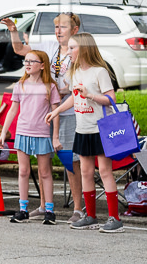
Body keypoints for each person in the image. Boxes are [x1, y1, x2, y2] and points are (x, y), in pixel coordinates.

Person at [4, 11, 84, 216]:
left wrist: (66, 90)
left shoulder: (78, 51)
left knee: (70, 160)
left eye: (63, 27)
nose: (59, 31)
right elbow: (20, 49)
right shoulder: (50, 48)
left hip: (68, 113)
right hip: (43, 115)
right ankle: (43, 205)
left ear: (74, 30)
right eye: (56, 27)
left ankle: (77, 208)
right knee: (43, 161)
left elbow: (84, 80)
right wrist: (14, 31)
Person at [47, 32, 123, 232]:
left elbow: (111, 99)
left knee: (105, 171)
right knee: (86, 172)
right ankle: (90, 216)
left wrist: (91, 95)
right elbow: (73, 97)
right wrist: (56, 110)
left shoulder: (100, 71)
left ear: (84, 48)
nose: (69, 52)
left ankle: (114, 219)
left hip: (100, 129)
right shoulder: (74, 71)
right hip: (83, 129)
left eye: (72, 48)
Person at [0, 50, 62, 224]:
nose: (27, 64)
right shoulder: (21, 84)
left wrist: (55, 137)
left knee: (45, 172)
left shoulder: (50, 87)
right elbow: (13, 109)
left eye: (32, 61)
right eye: (25, 61)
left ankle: (49, 210)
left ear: (42, 65)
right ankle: (22, 209)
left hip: (42, 133)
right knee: (24, 171)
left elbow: (56, 112)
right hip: (22, 132)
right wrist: (4, 131)